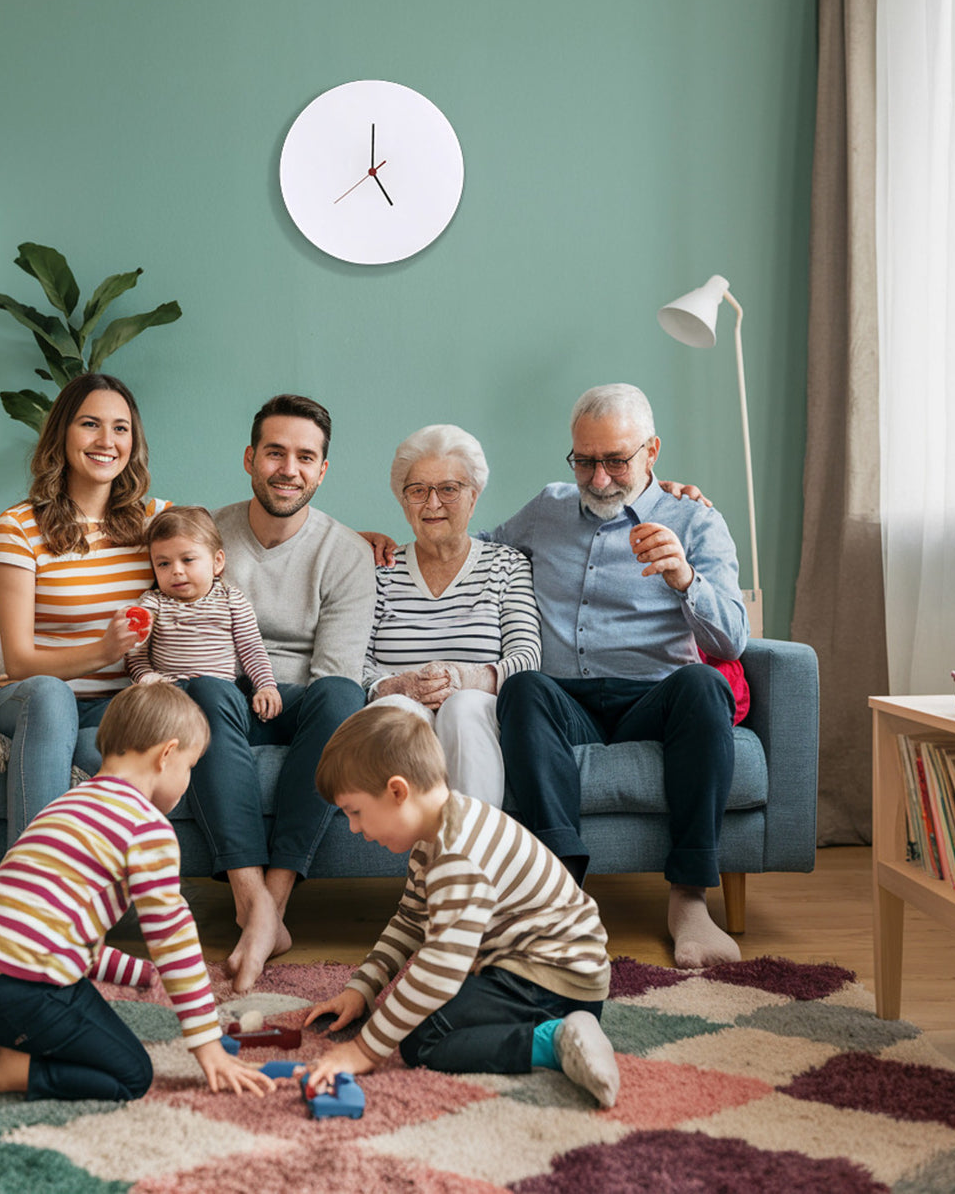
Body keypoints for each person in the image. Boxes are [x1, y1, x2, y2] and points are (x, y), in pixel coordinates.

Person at [0, 681, 273, 1111]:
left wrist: (136, 972)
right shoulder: (146, 826)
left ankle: (3, 1037)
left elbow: (52, 930)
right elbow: (172, 938)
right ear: (167, 755)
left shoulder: (65, 806)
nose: (187, 781)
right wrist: (207, 1044)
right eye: (190, 767)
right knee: (130, 1073)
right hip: (19, 991)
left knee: (68, 1002)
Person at [492, 383, 748, 968]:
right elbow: (474, 553)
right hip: (566, 702)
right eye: (584, 461)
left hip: (655, 699)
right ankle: (561, 897)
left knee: (704, 685)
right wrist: (381, 548)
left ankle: (689, 902)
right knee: (523, 686)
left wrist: (685, 579)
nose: (599, 478)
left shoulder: (696, 520)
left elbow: (732, 639)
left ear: (652, 451)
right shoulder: (547, 508)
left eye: (615, 460)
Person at [303, 706, 619, 1108]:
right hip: (539, 969)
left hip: (554, 982)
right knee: (416, 1013)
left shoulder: (457, 855)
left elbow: (440, 970)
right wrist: (362, 989)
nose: (353, 828)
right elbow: (410, 920)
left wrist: (364, 1050)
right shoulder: (437, 834)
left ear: (397, 791)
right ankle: (555, 1026)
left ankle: (555, 1039)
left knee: (422, 1040)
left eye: (355, 812)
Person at [184, 394, 376, 993]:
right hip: (223, 695)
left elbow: (335, 670)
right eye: (275, 453)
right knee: (208, 690)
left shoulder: (346, 552)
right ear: (250, 458)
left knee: (341, 696)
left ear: (322, 470)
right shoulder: (206, 535)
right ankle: (255, 908)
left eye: (305, 457)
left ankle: (273, 903)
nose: (288, 469)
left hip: (299, 702)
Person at [0, 372, 169, 843]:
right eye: (90, 424)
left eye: (121, 428)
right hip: (30, 697)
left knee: (157, 719)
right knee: (52, 696)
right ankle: (35, 878)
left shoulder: (156, 522)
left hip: (115, 705)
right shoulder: (20, 526)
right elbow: (19, 661)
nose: (107, 441)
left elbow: (223, 556)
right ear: (62, 434)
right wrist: (104, 650)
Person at [362, 424, 541, 806]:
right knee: (399, 711)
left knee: (462, 707)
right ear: (403, 501)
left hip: (478, 711)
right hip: (399, 707)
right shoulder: (380, 570)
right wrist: (397, 686)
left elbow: (527, 659)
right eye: (418, 491)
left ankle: (469, 842)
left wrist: (466, 678)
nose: (432, 504)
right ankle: (417, 839)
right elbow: (352, 660)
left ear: (474, 496)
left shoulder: (507, 564)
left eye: (448, 489)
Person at [125, 505, 282, 722]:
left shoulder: (232, 600)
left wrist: (265, 686)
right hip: (169, 697)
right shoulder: (153, 604)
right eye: (163, 564)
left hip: (219, 695)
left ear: (217, 562)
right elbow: (134, 654)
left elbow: (251, 649)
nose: (176, 571)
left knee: (212, 693)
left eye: (188, 560)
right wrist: (147, 677)